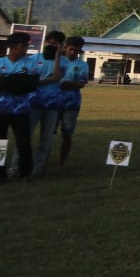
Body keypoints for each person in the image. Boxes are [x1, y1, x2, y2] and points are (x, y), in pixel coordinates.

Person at [0, 32, 39, 182]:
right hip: (0, 109)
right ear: (12, 47)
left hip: (22, 109)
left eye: (26, 46)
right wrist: (19, 80)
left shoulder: (30, 63)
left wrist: (6, 80)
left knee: (23, 142)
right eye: (23, 46)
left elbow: (31, 85)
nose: (25, 49)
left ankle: (25, 173)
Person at [29, 31, 65, 176]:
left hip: (52, 105)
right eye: (49, 43)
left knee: (46, 139)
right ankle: (18, 167)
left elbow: (57, 76)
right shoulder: (32, 59)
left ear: (60, 46)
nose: (51, 46)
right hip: (33, 103)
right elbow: (29, 80)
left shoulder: (64, 61)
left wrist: (56, 58)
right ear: (44, 43)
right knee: (25, 136)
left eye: (55, 44)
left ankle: (38, 169)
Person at [56, 36, 89, 167]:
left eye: (76, 51)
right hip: (52, 102)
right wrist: (70, 83)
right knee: (47, 133)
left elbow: (81, 84)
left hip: (71, 103)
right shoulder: (57, 60)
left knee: (67, 134)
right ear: (65, 47)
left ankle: (62, 162)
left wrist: (62, 83)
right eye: (71, 49)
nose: (73, 53)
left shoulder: (83, 65)